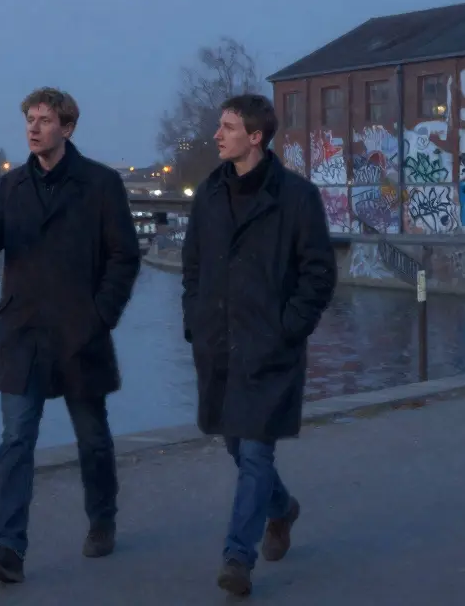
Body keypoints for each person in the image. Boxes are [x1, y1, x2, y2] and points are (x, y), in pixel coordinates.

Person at [0, 87, 141, 584]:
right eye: (29, 119)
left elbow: (125, 256)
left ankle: (102, 517)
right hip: (22, 332)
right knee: (16, 440)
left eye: (44, 119)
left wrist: (100, 315)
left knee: (93, 438)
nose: (34, 128)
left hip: (79, 332)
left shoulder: (101, 184)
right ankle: (8, 549)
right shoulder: (12, 185)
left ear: (67, 127)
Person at [180, 93, 337, 597]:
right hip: (220, 346)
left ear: (255, 137)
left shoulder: (296, 197)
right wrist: (194, 321)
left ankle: (237, 557)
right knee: (236, 445)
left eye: (227, 127)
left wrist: (287, 328)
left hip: (270, 349)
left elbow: (318, 273)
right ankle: (282, 508)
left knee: (253, 451)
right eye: (219, 125)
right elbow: (193, 268)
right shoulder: (208, 194)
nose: (217, 135)